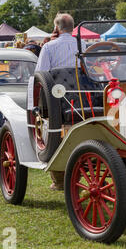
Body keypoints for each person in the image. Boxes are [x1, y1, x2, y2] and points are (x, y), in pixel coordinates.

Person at [35, 13, 86, 191]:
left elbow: (41, 75)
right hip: (83, 99)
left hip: (59, 100)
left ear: (57, 28)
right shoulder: (83, 45)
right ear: (73, 27)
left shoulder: (49, 47)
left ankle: (58, 180)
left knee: (52, 129)